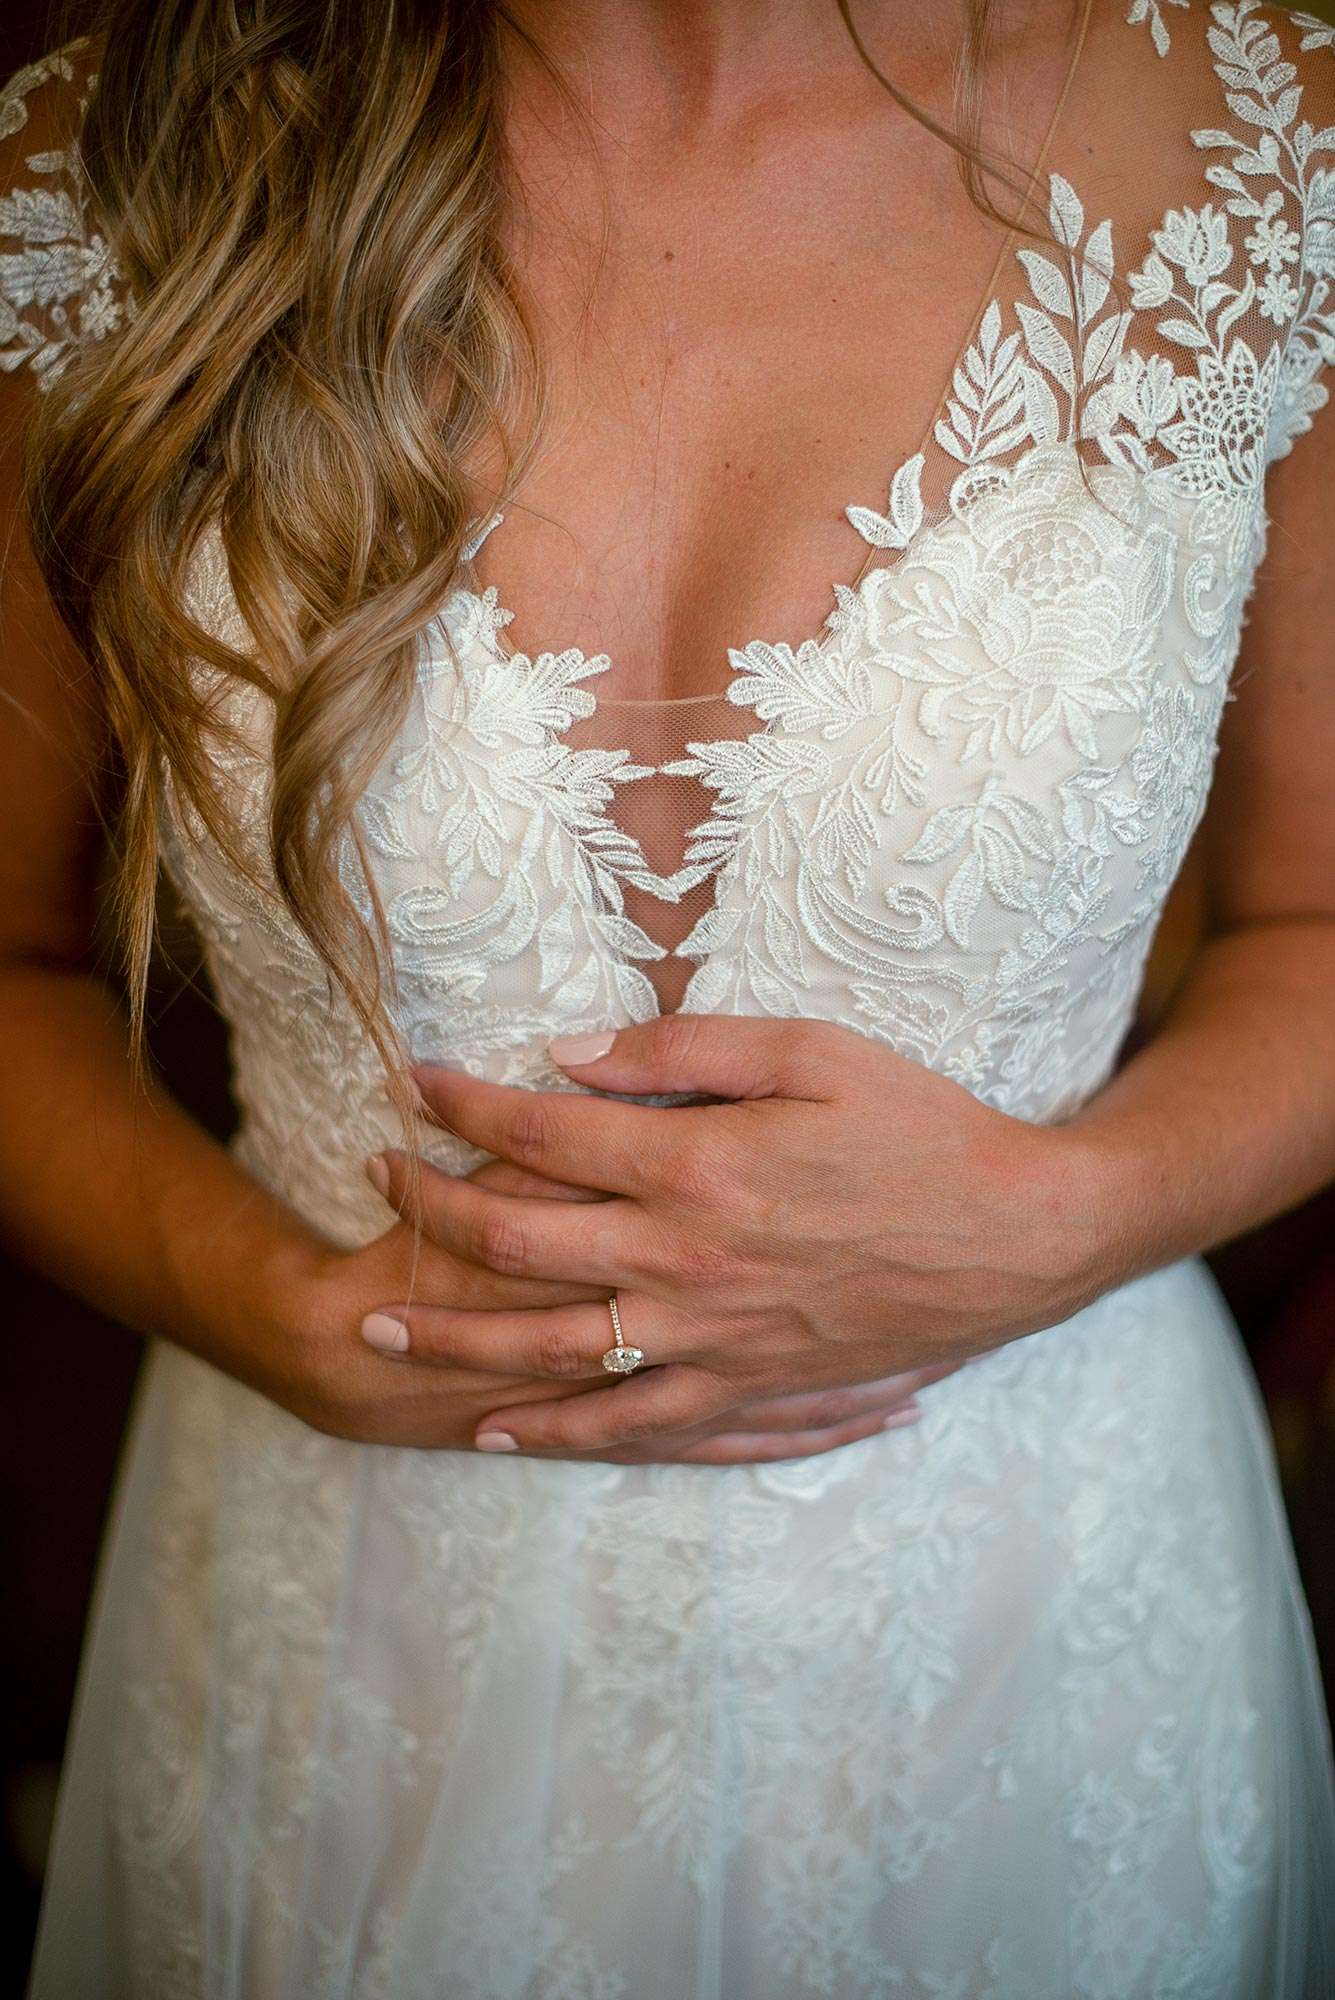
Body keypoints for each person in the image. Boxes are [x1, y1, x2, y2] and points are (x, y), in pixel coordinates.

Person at [4, 1, 1334, 1993]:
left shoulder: (1267, 145)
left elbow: (1317, 920)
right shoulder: (113, 163)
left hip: (1018, 1635)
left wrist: (1072, 1215)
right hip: (350, 1628)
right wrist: (252, 1296)